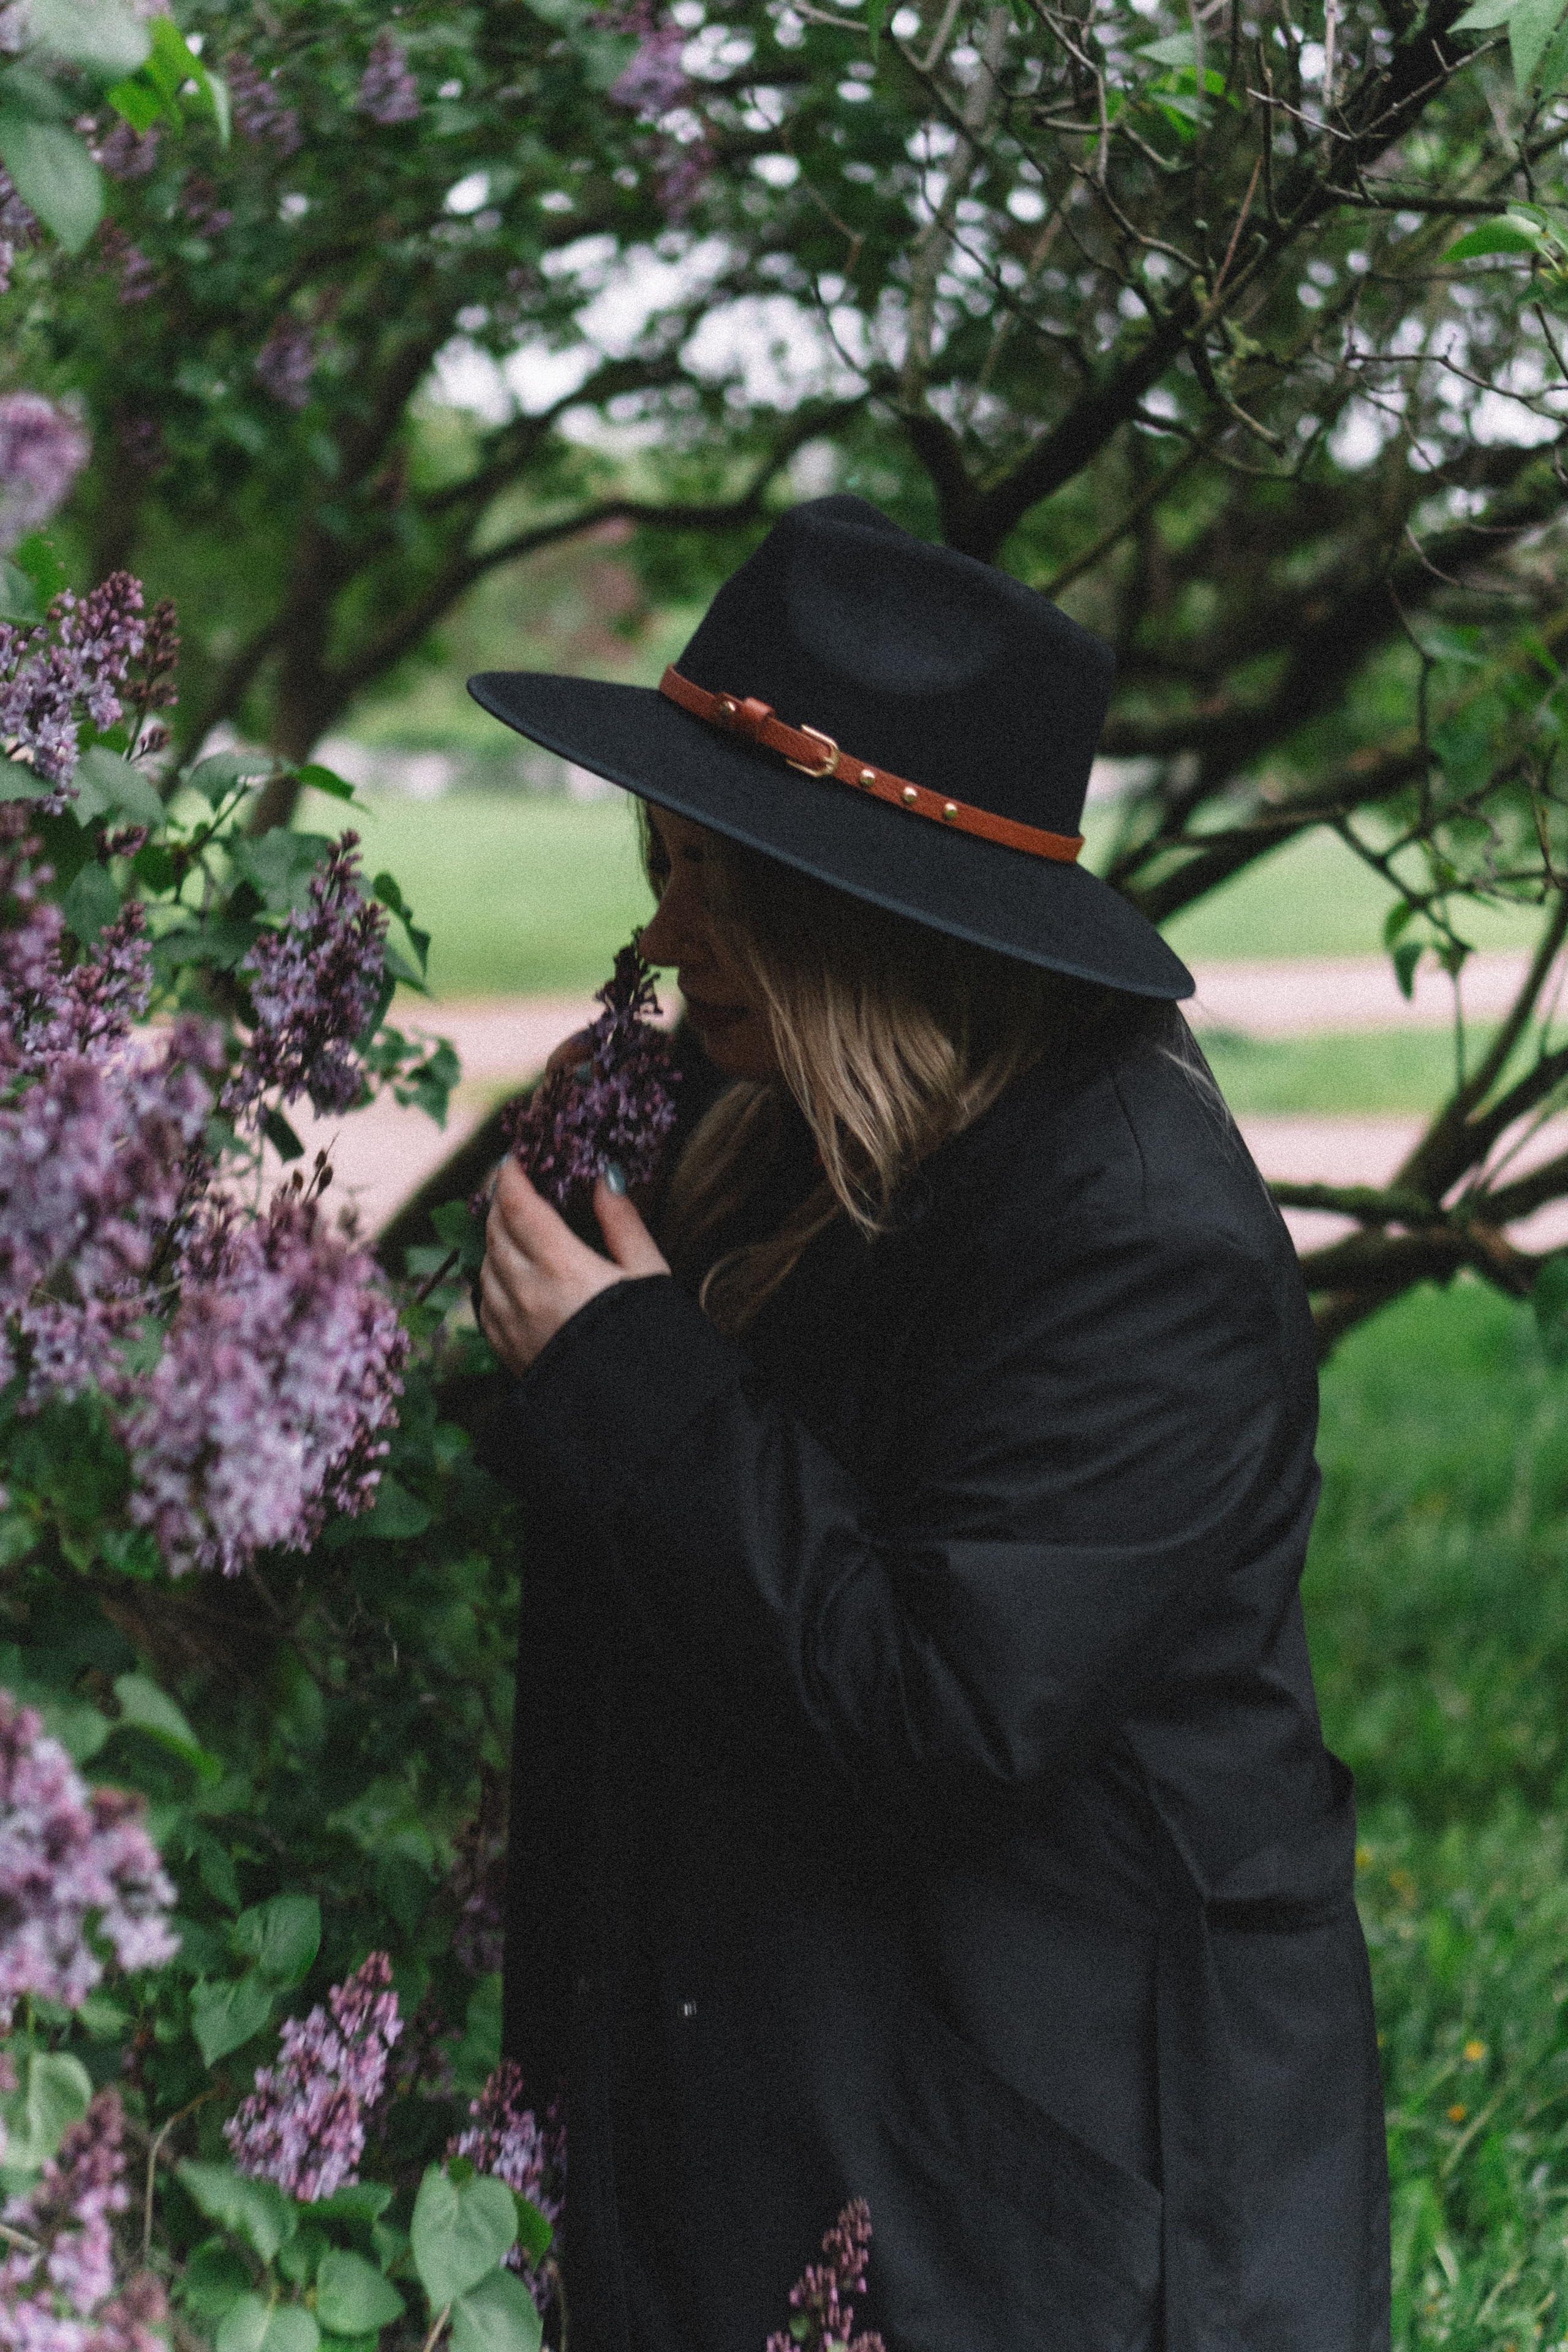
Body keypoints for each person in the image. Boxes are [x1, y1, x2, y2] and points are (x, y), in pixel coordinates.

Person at [469, 497, 1390, 2352]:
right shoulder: (758, 1119)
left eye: (714, 884)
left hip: (1039, 2202)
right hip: (779, 2107)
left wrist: (626, 1369)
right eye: (665, 860)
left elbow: (945, 1711)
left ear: (854, 917)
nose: (661, 930)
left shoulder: (1133, 1228)